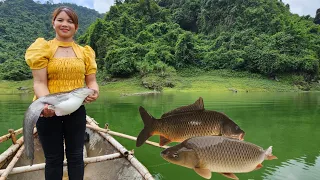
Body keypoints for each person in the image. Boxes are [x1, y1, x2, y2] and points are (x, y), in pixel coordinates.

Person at [25, 6, 99, 180]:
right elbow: (40, 82)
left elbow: (91, 81)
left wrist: (94, 92)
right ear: (53, 23)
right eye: (60, 20)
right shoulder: (43, 49)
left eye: (70, 21)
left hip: (76, 110)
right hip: (47, 111)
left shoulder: (85, 52)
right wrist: (46, 105)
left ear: (76, 27)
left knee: (75, 156)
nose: (65, 24)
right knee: (53, 159)